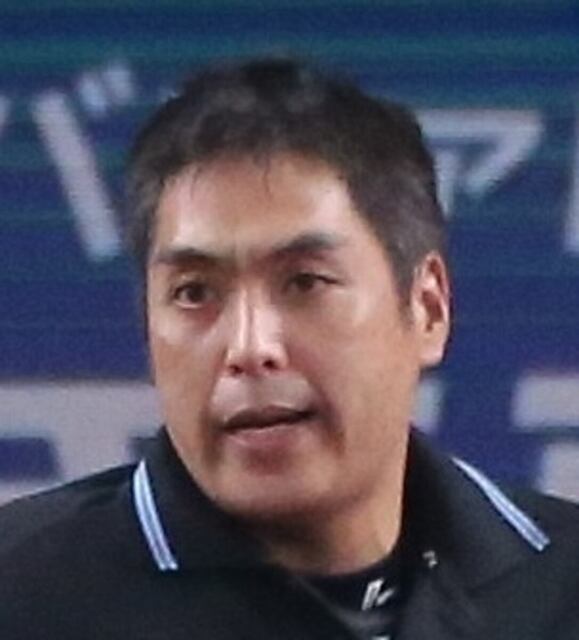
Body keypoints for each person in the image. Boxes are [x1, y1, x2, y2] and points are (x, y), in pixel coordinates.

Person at [1, 57, 578, 640]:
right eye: (194, 292)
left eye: (305, 283)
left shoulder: (561, 585)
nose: (250, 347)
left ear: (427, 308)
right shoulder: (23, 595)